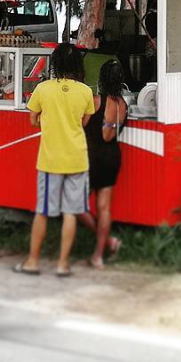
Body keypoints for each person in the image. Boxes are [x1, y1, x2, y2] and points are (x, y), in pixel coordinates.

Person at [15, 43, 95, 277]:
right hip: (77, 159)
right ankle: (62, 264)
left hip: (51, 160)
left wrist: (47, 121)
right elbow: (84, 123)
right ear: (77, 65)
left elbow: (32, 120)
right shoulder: (85, 92)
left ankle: (33, 261)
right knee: (71, 212)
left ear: (55, 64)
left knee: (43, 211)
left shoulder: (43, 89)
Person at [77, 59, 128, 268]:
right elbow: (110, 133)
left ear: (101, 79)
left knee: (77, 204)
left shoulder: (97, 101)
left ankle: (108, 241)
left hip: (92, 157)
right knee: (104, 208)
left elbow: (81, 125)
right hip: (112, 157)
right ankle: (99, 255)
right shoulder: (124, 105)